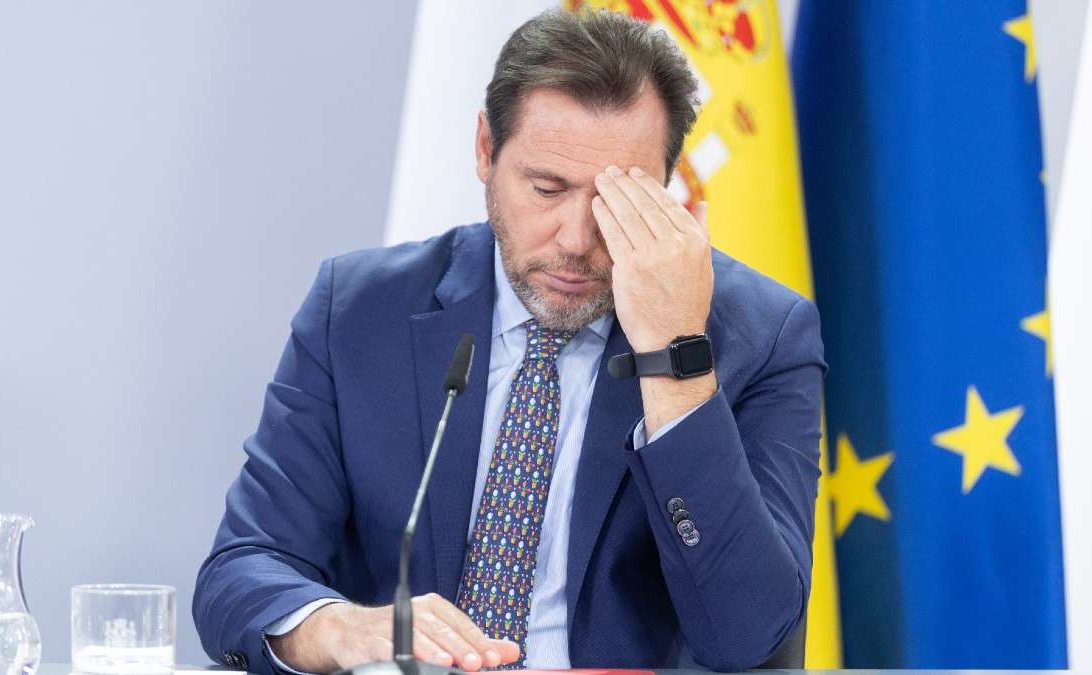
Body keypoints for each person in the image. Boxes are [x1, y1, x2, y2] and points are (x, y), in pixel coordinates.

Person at [193, 8, 824, 674]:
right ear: (485, 150)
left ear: (669, 190)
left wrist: (675, 359)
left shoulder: (761, 335)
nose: (577, 240)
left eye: (618, 201)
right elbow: (241, 570)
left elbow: (750, 638)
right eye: (547, 188)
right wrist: (338, 628)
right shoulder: (359, 311)